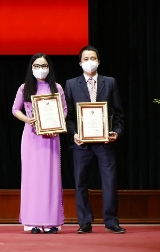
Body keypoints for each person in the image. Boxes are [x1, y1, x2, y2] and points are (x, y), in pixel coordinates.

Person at [65, 45, 126, 234]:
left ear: (98, 61)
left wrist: (116, 132)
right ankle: (84, 222)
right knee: (80, 182)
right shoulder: (71, 84)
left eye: (93, 58)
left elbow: (119, 114)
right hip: (81, 144)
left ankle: (111, 220)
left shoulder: (110, 82)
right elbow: (68, 116)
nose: (89, 62)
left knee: (110, 181)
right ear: (80, 63)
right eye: (86, 59)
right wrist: (74, 134)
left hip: (105, 143)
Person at [11, 53, 66, 234]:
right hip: (31, 138)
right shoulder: (25, 88)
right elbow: (15, 109)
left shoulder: (56, 87)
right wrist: (28, 120)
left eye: (44, 66)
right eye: (37, 66)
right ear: (31, 68)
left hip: (51, 137)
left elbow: (64, 110)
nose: (40, 69)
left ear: (49, 68)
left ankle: (51, 222)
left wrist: (55, 125)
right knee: (32, 179)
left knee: (51, 178)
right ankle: (32, 222)